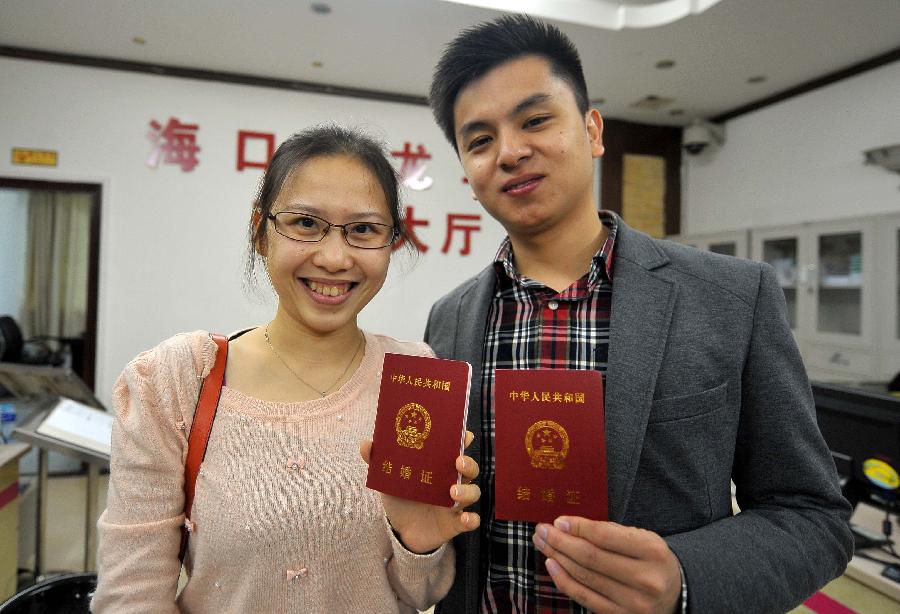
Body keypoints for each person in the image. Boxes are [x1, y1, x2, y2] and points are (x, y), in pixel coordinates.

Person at [424, 15, 853, 614]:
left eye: (536, 120)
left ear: (593, 130)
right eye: (479, 140)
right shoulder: (448, 320)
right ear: (468, 178)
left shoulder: (731, 297)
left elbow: (812, 515)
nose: (511, 151)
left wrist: (685, 578)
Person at [93, 124, 481, 613]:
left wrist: (418, 544)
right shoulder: (175, 379)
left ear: (391, 242)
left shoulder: (416, 380)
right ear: (261, 231)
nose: (335, 258)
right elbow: (132, 599)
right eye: (305, 224)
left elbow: (420, 594)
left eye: (363, 230)